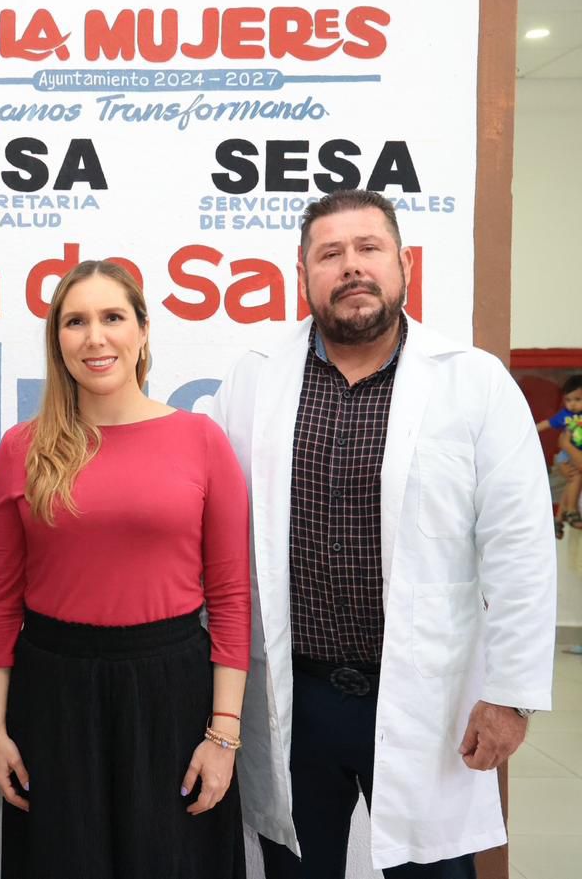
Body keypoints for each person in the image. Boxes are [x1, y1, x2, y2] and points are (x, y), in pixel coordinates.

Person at [210, 189, 557, 878]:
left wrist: (511, 692)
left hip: (426, 697)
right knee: (293, 866)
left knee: (434, 871)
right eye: (330, 254)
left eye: (368, 249)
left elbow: (520, 550)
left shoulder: (473, 382)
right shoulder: (253, 379)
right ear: (302, 273)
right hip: (292, 698)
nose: (351, 268)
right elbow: (213, 538)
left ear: (403, 264)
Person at [0, 259, 251, 879]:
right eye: (75, 322)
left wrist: (223, 734)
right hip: (52, 695)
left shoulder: (201, 440)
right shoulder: (23, 447)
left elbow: (232, 597)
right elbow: (1, 599)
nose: (95, 337)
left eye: (112, 317)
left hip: (172, 693)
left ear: (144, 330)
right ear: (57, 341)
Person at [536, 373, 582, 537]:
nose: (572, 405)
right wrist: (531, 430)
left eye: (577, 399)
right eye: (568, 400)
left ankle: (558, 517)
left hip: (573, 454)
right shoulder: (565, 416)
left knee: (571, 482)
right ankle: (570, 511)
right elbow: (547, 423)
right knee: (575, 478)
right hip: (565, 455)